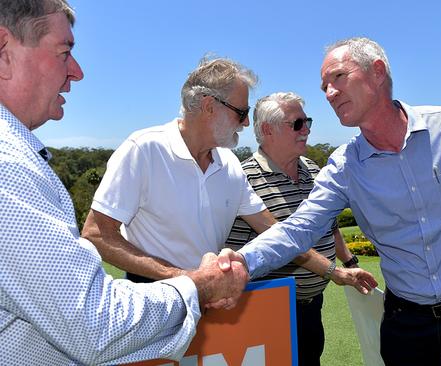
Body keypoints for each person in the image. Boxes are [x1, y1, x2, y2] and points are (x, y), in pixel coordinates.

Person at [218, 37, 441, 365]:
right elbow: (299, 229)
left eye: (337, 77)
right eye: (324, 87)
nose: (329, 93)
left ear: (377, 72)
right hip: (407, 323)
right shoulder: (344, 165)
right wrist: (240, 263)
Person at [0, 1, 247, 364]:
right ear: (4, 51)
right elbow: (95, 324)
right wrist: (196, 284)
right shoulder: (8, 165)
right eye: (64, 52)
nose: (77, 72)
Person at [81, 58, 373, 291]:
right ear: (209, 106)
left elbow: (278, 234)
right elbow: (96, 234)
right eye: (241, 112)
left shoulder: (229, 163)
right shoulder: (144, 149)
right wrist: (183, 278)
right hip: (152, 294)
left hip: (210, 297)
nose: (247, 122)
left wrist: (335, 272)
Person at [225, 92, 364, 366]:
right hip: (265, 311)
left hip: (312, 306)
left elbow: (330, 226)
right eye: (298, 123)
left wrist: (349, 260)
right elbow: (286, 243)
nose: (308, 129)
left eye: (307, 121)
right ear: (267, 130)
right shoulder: (242, 179)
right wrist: (334, 272)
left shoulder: (313, 169)